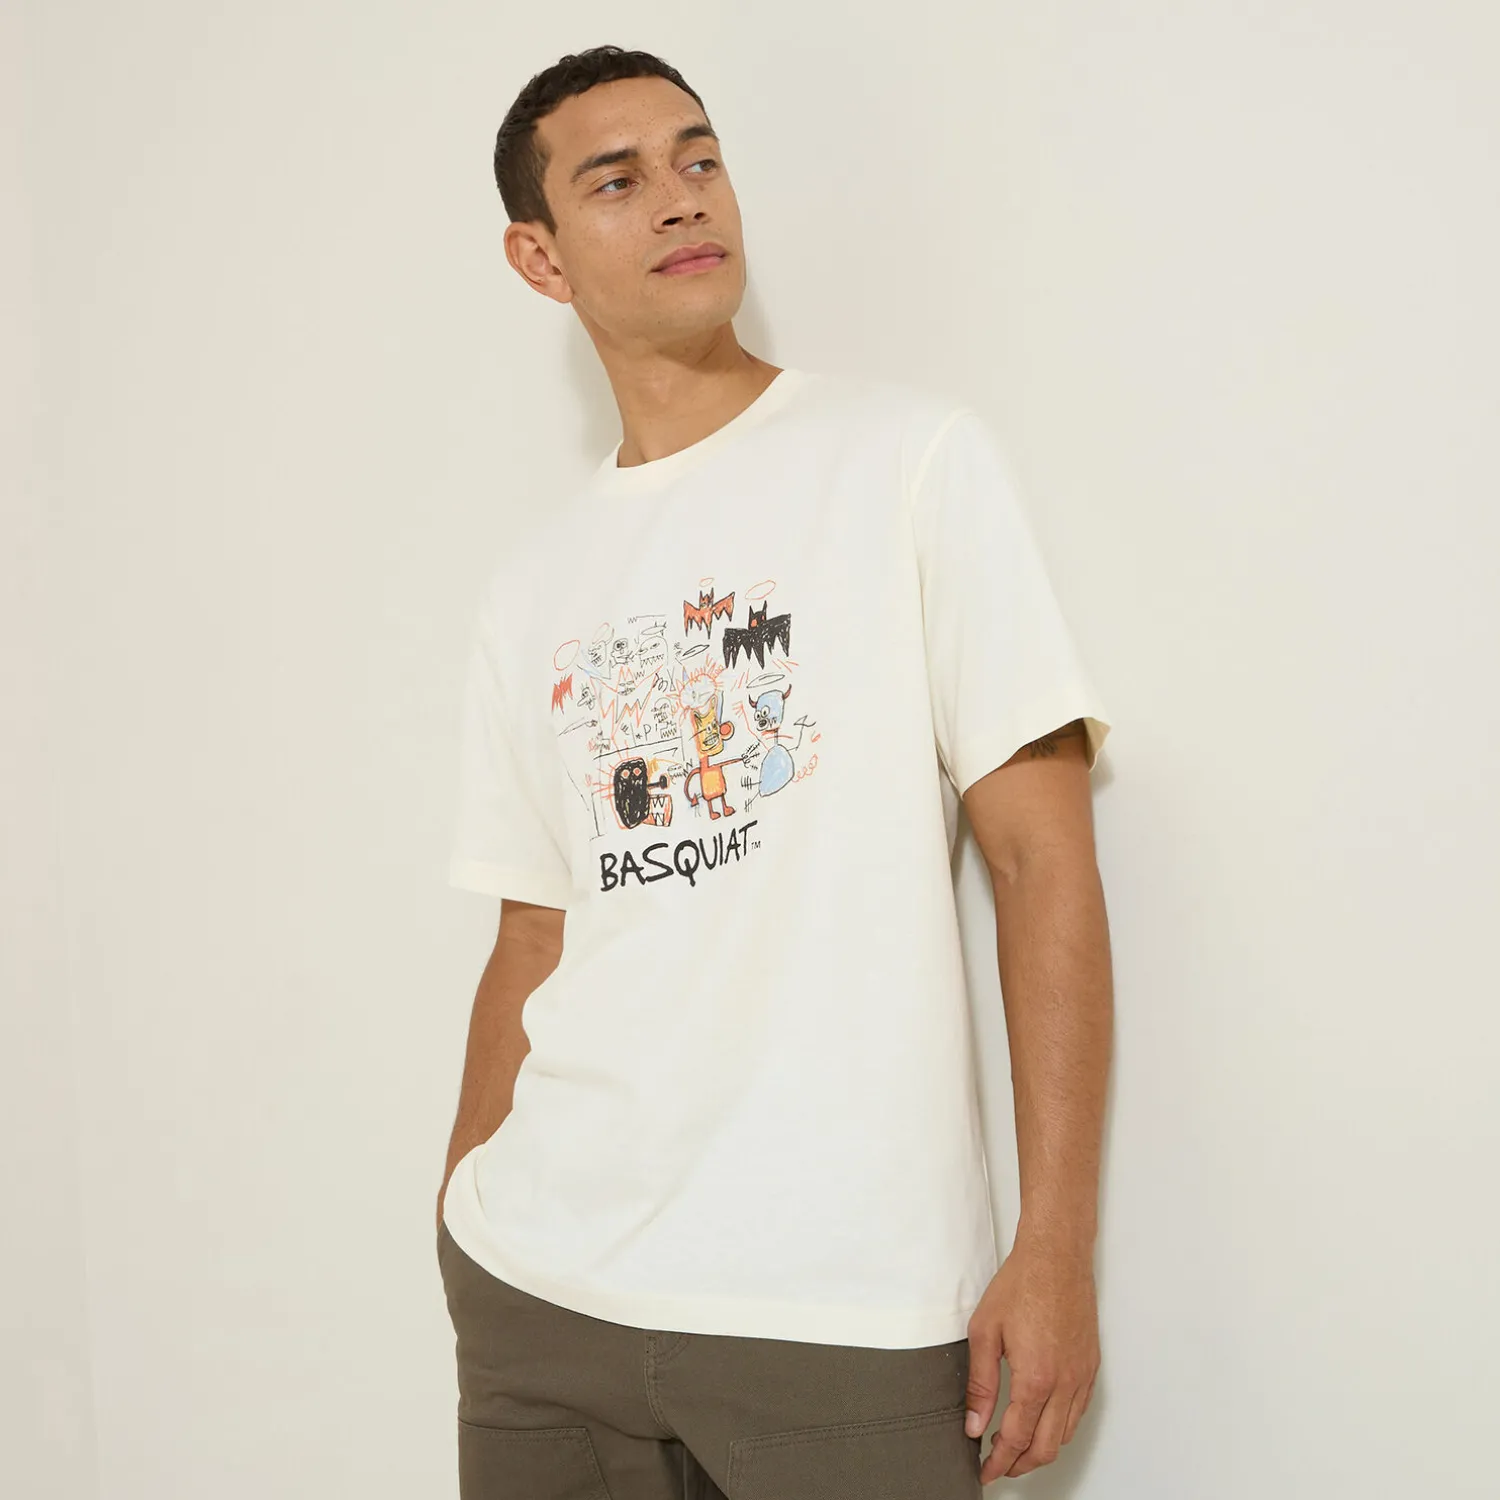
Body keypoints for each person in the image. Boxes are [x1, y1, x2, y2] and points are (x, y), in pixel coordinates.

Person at [436, 43, 1115, 1500]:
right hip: (545, 1297)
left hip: (842, 1310)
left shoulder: (911, 462)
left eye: (700, 158)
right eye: (617, 181)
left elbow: (1041, 858)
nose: (683, 198)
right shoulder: (532, 584)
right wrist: (461, 1214)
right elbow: (532, 932)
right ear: (538, 258)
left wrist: (1055, 1247)